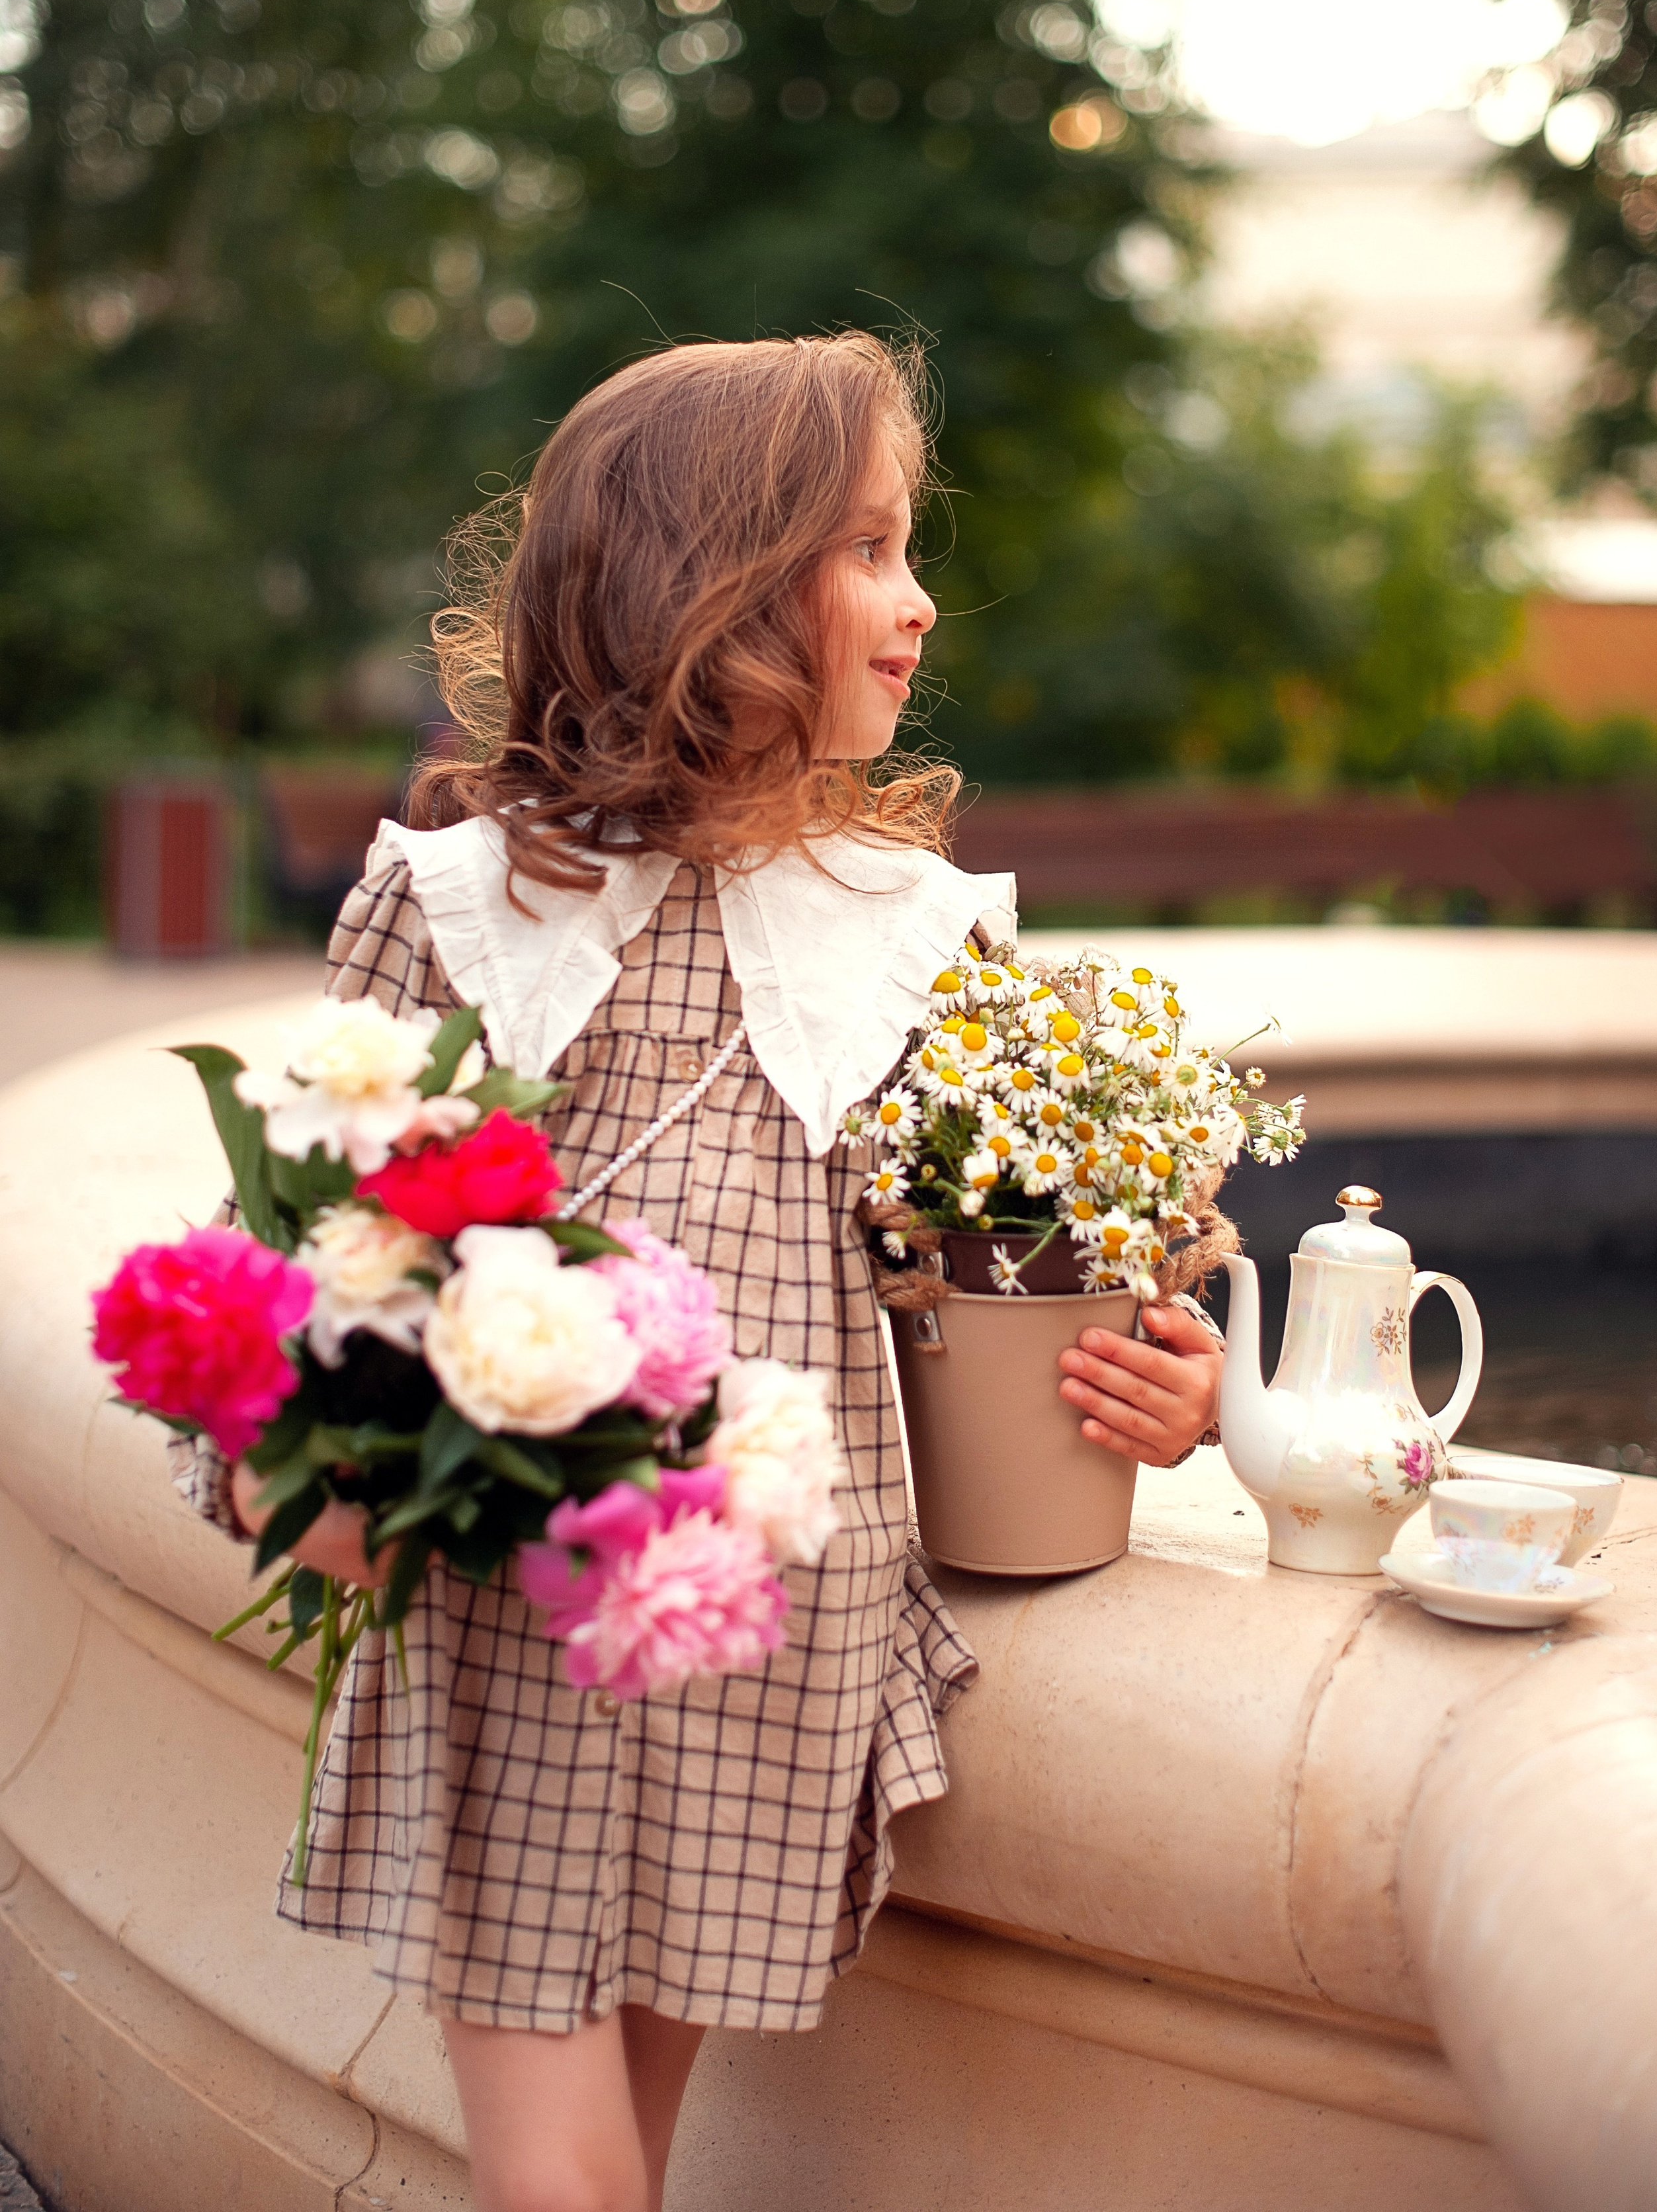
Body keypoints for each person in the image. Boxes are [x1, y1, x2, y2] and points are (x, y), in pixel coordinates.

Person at [210, 333, 1222, 2212]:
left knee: (621, 2165)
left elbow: (1082, 1245)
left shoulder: (916, 936)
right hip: (509, 1630)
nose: (920, 608)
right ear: (714, 580)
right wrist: (297, 1476)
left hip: (757, 1636)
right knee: (568, 2185)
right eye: (867, 551)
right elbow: (295, 1269)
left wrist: (1178, 1374)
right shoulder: (459, 902)